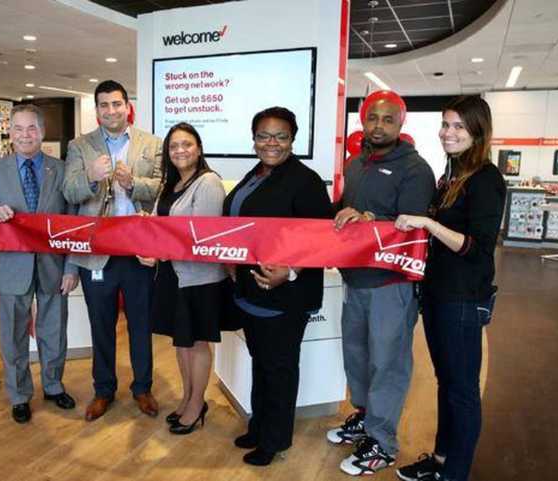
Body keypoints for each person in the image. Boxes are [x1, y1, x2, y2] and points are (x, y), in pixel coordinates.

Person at [394, 96, 506, 481]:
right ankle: (441, 460)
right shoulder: (451, 177)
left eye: (459, 126)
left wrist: (427, 224)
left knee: (462, 391)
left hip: (463, 299)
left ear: (478, 132)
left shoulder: (486, 179)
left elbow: (477, 248)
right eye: (445, 124)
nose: (448, 132)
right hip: (439, 295)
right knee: (448, 383)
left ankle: (456, 473)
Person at [327, 90, 436, 476]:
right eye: (373, 118)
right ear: (363, 120)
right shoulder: (356, 164)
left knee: (388, 364)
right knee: (357, 357)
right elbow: (345, 215)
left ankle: (383, 444)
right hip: (355, 280)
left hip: (391, 285)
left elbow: (414, 229)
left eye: (388, 119)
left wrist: (373, 218)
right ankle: (365, 417)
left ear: (401, 123)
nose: (378, 125)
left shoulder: (415, 169)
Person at [223, 106, 333, 466]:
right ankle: (260, 426)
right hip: (251, 294)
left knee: (280, 369)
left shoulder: (306, 181)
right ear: (253, 139)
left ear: (293, 139)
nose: (271, 143)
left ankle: (274, 440)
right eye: (263, 136)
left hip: (286, 296)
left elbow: (323, 241)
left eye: (280, 136)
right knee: (262, 364)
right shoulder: (254, 175)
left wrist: (292, 271)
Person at [63, 80, 162, 421]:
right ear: (97, 109)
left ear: (126, 106)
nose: (111, 111)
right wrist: (90, 176)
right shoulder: (79, 146)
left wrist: (133, 183)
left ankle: (143, 387)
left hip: (138, 252)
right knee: (100, 323)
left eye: (116, 104)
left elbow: (161, 190)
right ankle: (103, 389)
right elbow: (69, 192)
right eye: (103, 105)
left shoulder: (151, 143)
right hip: (96, 253)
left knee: (140, 323)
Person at [0, 104, 79, 424]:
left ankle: (52, 385)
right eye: (18, 129)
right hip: (12, 268)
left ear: (42, 132)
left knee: (54, 332)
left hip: (53, 266)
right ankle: (19, 395)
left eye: (31, 129)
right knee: (12, 336)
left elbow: (73, 221)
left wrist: (72, 267)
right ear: (9, 132)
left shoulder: (60, 169)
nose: (25, 135)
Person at [135, 123, 226, 435]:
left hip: (199, 279)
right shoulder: (170, 183)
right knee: (181, 343)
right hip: (173, 277)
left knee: (197, 343)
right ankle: (188, 397)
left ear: (198, 148)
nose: (180, 151)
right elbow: (168, 229)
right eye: (173, 146)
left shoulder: (209, 183)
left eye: (186, 144)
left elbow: (200, 239)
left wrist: (160, 254)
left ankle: (197, 403)